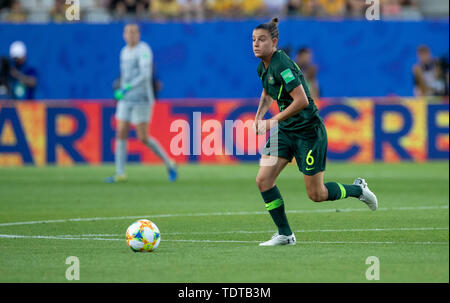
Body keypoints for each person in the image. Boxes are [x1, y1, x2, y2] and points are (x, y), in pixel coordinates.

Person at [252, 18, 377, 246]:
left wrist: (271, 121)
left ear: (274, 42)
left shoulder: (283, 65)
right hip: (285, 131)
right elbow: (267, 92)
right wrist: (259, 116)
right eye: (253, 40)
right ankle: (285, 234)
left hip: (308, 132)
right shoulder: (263, 66)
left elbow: (301, 101)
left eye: (261, 40)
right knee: (263, 180)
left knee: (316, 194)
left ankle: (357, 189)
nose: (256, 44)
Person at [105, 23, 177, 183]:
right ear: (124, 35)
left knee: (143, 137)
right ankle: (120, 173)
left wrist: (126, 88)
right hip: (126, 98)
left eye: (134, 32)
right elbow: (125, 75)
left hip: (142, 98)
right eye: (128, 32)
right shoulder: (124, 52)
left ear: (139, 35)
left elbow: (145, 75)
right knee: (121, 131)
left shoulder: (144, 50)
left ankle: (169, 163)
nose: (131, 35)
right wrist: (120, 87)